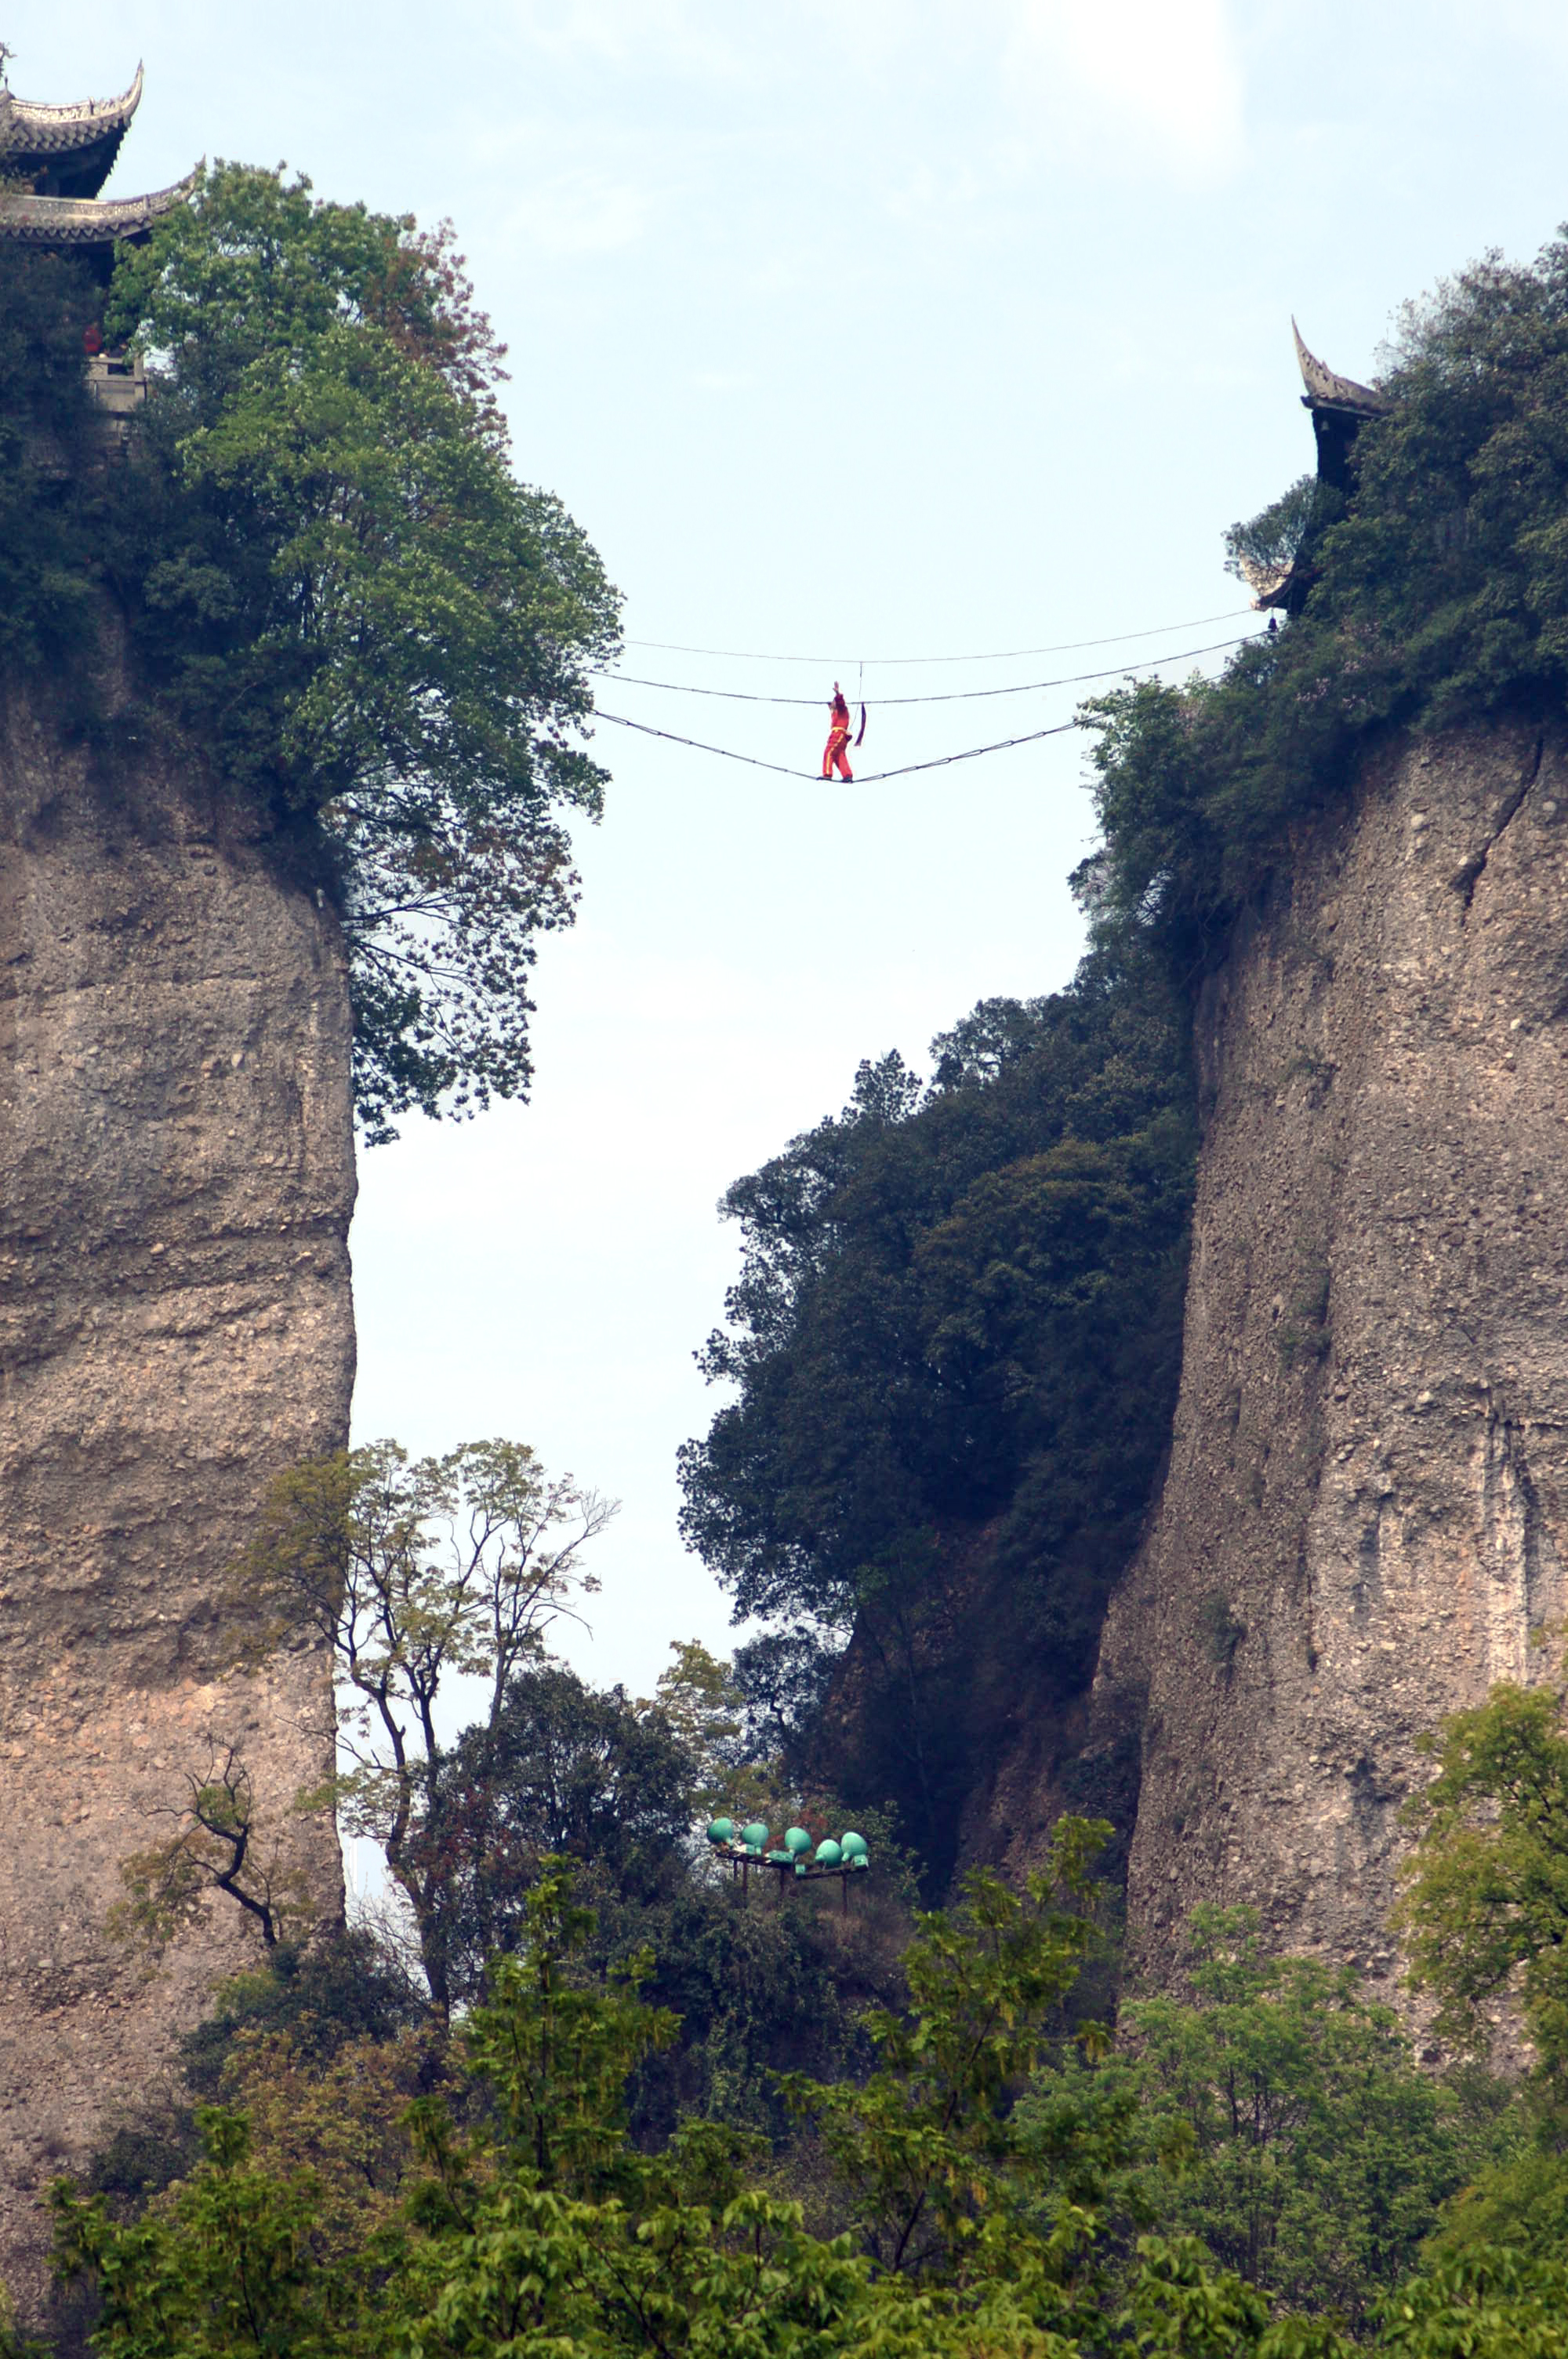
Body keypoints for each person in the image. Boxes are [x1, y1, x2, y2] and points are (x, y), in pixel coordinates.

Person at [822, 682, 853, 781]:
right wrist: (831, 706)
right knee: (839, 755)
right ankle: (847, 775)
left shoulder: (842, 710)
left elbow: (840, 703)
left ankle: (827, 773)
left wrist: (837, 693)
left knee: (829, 752)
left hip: (838, 735)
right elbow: (833, 709)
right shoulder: (836, 713)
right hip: (841, 737)